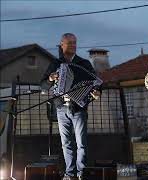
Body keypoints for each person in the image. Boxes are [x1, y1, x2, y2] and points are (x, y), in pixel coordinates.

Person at [40, 33, 101, 180]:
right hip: (61, 107)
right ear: (62, 45)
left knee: (81, 143)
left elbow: (96, 83)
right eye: (70, 43)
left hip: (78, 107)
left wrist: (97, 92)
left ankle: (81, 173)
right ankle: (70, 173)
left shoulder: (84, 63)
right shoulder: (55, 64)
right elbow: (42, 86)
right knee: (66, 143)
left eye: (75, 43)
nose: (73, 45)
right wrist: (50, 78)